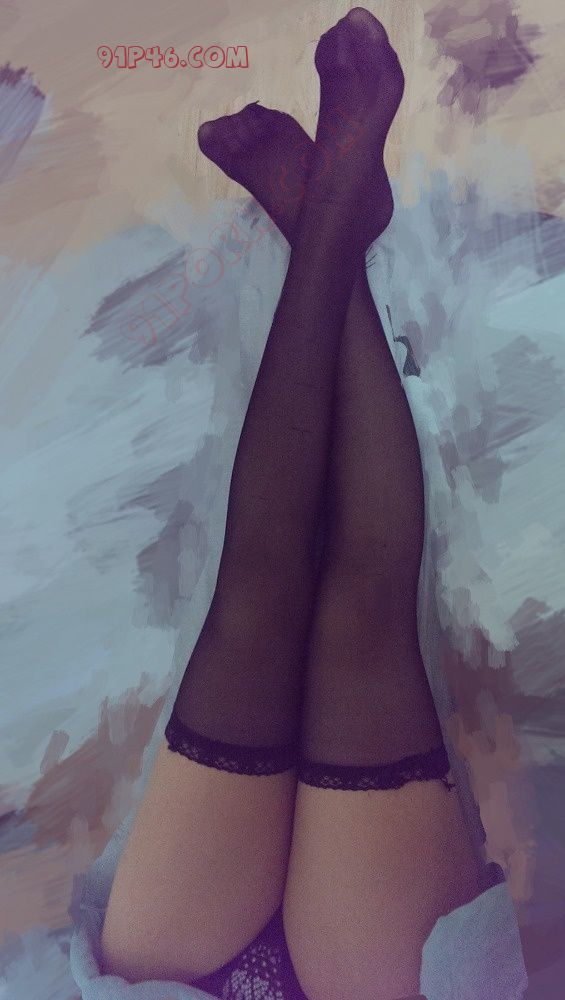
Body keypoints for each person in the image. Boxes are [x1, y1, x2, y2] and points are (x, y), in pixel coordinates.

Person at [70, 9, 528, 1000]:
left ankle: (329, 221)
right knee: (359, 617)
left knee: (258, 602)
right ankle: (327, 218)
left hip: (173, 983)